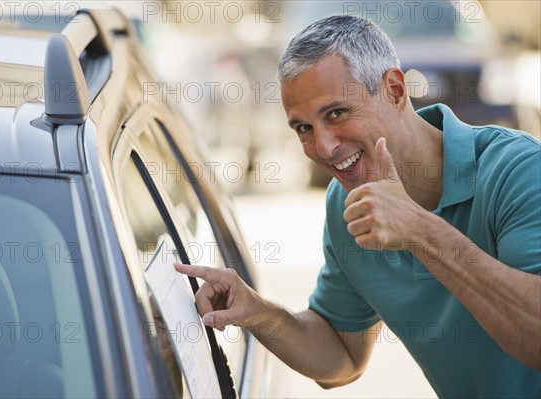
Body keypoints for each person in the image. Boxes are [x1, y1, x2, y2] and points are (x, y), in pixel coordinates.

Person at [175, 15, 541, 397]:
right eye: (304, 128)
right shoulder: (347, 202)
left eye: (337, 113)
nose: (324, 147)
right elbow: (342, 358)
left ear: (396, 91)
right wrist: (258, 313)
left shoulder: (518, 170)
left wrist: (420, 232)